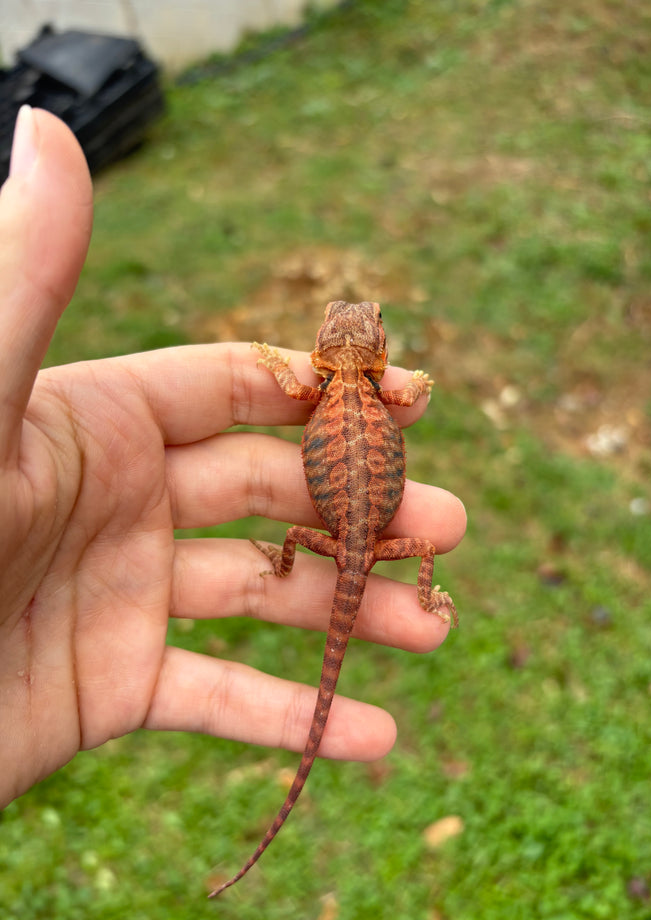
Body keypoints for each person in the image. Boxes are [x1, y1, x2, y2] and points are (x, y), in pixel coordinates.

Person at [0, 107, 466, 810]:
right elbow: (395, 396)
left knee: (400, 551)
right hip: (364, 540)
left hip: (346, 536)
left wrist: (274, 368)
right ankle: (406, 591)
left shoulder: (314, 387)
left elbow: (289, 382)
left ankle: (303, 573)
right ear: (372, 352)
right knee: (425, 543)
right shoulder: (377, 396)